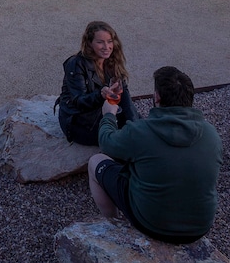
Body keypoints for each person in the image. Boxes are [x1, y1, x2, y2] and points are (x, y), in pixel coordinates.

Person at [88, 66, 222, 244]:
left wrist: (108, 115)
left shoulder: (141, 132)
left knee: (96, 161)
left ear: (157, 97)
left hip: (152, 224)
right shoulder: (211, 134)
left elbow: (106, 142)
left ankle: (115, 226)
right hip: (199, 227)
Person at [57, 20, 138, 146]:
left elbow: (124, 94)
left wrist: (135, 124)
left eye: (109, 41)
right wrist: (100, 95)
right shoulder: (76, 64)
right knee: (117, 137)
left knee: (138, 125)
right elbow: (78, 101)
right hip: (79, 121)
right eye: (100, 42)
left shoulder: (111, 60)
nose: (107, 47)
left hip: (102, 112)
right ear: (89, 43)